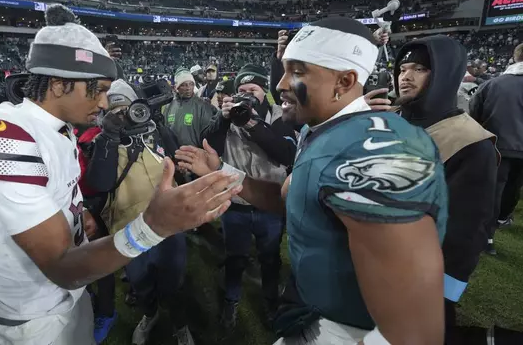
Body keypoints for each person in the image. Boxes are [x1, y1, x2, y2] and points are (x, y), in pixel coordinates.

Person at [0, 5, 241, 345]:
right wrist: (153, 226)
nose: (103, 103)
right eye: (97, 89)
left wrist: (76, 212)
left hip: (69, 297)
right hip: (33, 315)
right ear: (58, 84)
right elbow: (61, 265)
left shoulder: (58, 129)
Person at [177, 18, 449, 344]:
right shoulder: (316, 129)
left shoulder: (372, 149)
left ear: (344, 81)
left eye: (298, 72)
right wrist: (222, 171)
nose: (280, 85)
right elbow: (288, 196)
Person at [390, 36, 499, 345]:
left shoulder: (470, 142)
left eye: (419, 69)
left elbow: (465, 232)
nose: (405, 77)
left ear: (445, 74)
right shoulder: (391, 121)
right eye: (403, 68)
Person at [86, 79, 194, 345]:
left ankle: (180, 325)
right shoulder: (103, 142)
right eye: (116, 111)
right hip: (128, 228)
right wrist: (109, 138)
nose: (123, 116)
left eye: (127, 108)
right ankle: (150, 315)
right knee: (141, 285)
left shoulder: (158, 132)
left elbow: (180, 162)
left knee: (174, 284)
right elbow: (99, 184)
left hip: (169, 224)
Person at [201, 63, 297, 329]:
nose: (246, 94)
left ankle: (270, 301)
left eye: (252, 89)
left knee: (269, 258)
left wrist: (253, 123)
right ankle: (231, 301)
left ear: (263, 91)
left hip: (269, 203)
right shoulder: (227, 117)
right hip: (237, 203)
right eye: (241, 90)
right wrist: (222, 119)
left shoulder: (279, 114)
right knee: (235, 257)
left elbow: (286, 154)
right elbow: (209, 147)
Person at [470, 43, 523, 255]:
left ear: (514, 56)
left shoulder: (493, 84)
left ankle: (488, 238)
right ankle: (502, 218)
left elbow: (474, 114)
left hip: (496, 146)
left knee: (494, 191)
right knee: (513, 189)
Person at [164, 67, 216, 148]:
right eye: (184, 85)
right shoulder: (169, 107)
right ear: (176, 87)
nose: (188, 88)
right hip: (173, 155)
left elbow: (208, 135)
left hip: (195, 155)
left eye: (191, 84)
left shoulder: (202, 106)